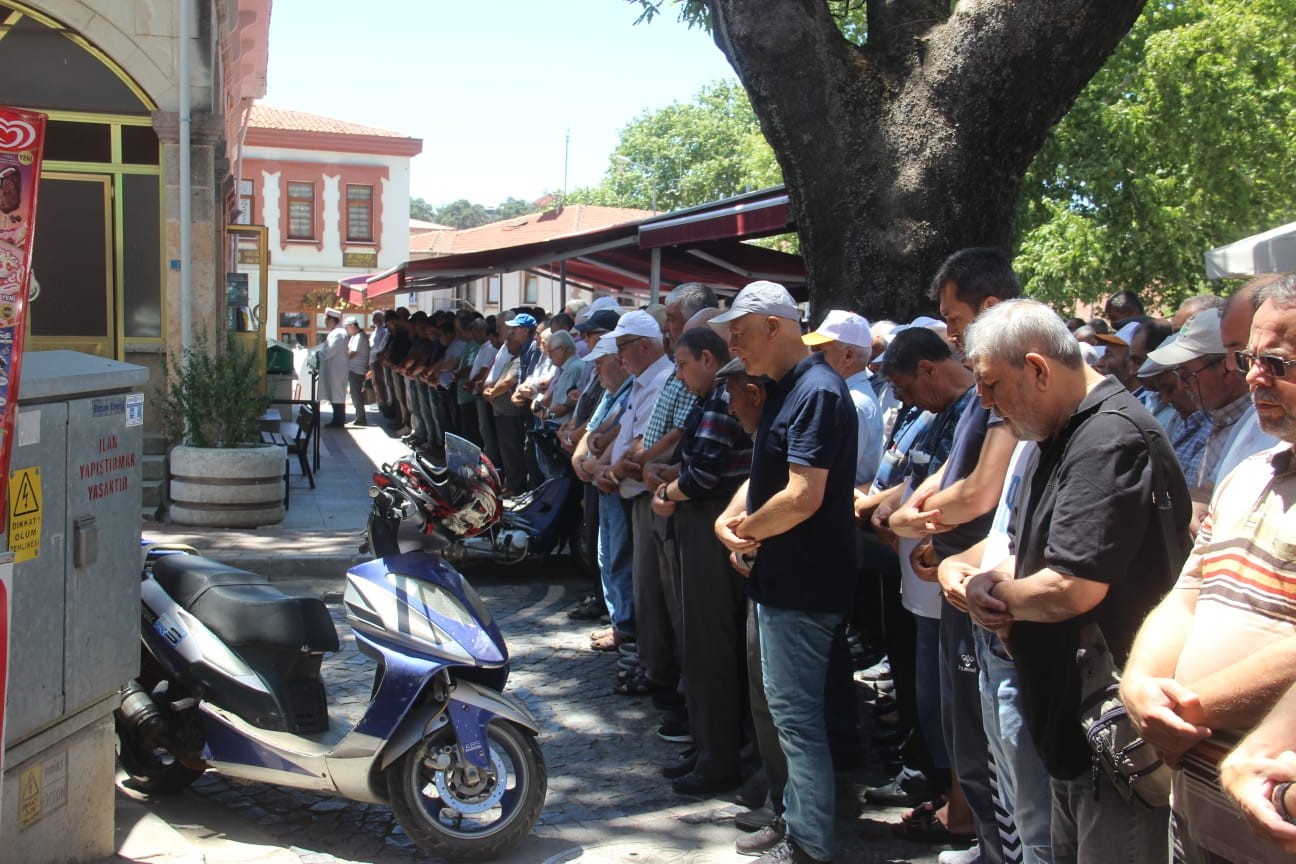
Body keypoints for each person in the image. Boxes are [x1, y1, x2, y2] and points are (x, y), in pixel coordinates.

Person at [958, 298, 1191, 864]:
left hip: (1112, 740)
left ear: (1037, 369)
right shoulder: (1058, 433)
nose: (984, 401)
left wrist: (993, 595)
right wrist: (986, 581)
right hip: (1076, 734)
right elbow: (1040, 554)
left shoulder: (1108, 437)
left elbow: (1071, 587)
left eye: (991, 385)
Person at [1121, 273, 1296, 864]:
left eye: (1278, 362)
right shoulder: (1251, 472)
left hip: (1269, 818)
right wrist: (1138, 684)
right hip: (1194, 806)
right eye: (1249, 358)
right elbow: (1189, 591)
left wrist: (1182, 710)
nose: (1252, 377)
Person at [711, 280, 857, 864]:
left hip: (805, 582)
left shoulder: (817, 391)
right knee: (786, 714)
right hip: (782, 577)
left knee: (797, 719)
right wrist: (733, 516)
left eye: (740, 336)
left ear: (774, 327)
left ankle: (810, 845)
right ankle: (796, 823)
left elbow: (802, 497)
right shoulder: (783, 388)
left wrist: (744, 532)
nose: (735, 349)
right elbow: (768, 473)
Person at [652, 326, 752, 797]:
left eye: (683, 363)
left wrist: (668, 490)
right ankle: (709, 745)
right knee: (701, 644)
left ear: (709, 360)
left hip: (710, 525)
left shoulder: (718, 400)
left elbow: (706, 473)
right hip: (707, 521)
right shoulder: (709, 399)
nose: (678, 372)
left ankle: (718, 758)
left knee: (709, 648)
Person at [319, 307, 349, 427]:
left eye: (326, 320)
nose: (325, 323)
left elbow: (330, 350)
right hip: (335, 368)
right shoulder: (336, 332)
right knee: (335, 393)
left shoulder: (338, 333)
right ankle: (337, 420)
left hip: (337, 369)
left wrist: (320, 354)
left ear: (332, 320)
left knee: (337, 395)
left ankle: (338, 421)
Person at [344, 316, 370, 426]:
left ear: (353, 326)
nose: (347, 330)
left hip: (357, 370)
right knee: (354, 394)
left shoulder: (359, 337)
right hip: (354, 370)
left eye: (347, 328)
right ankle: (359, 416)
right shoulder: (355, 337)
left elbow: (351, 353)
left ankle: (361, 418)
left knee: (356, 394)